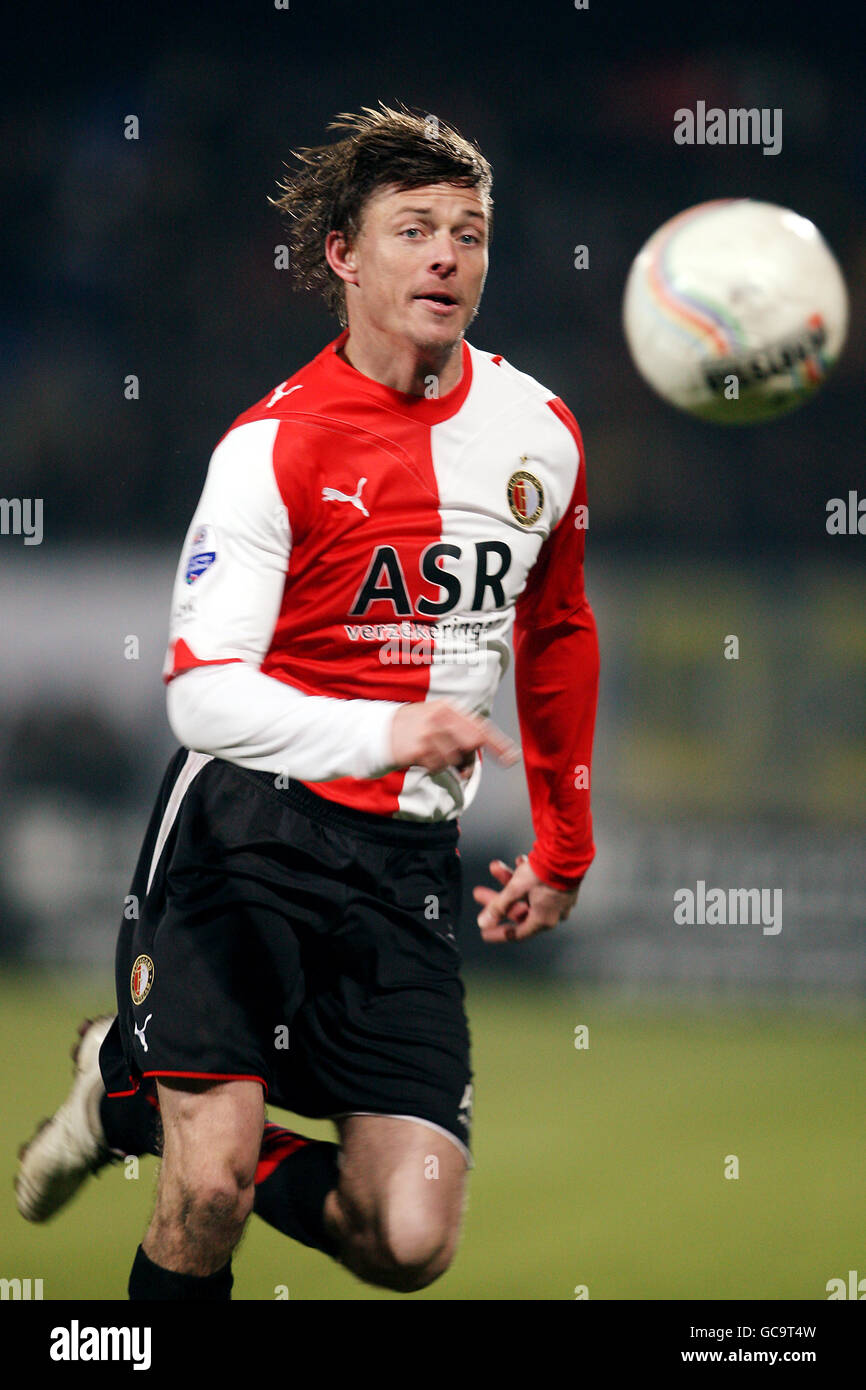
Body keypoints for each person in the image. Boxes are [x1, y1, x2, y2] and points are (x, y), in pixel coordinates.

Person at [16, 104, 599, 1300]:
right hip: (244, 834)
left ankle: (123, 1092)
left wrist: (564, 842)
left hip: (402, 867)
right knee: (210, 1184)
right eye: (414, 229)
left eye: (470, 232)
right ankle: (165, 1118)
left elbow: (556, 630)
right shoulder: (269, 448)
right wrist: (384, 729)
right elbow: (203, 697)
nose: (448, 255)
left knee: (408, 1239)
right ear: (341, 254)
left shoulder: (539, 430)